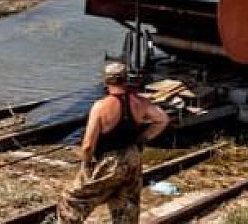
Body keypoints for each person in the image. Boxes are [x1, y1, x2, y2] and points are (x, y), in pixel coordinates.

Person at [57, 62, 170, 224]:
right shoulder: (140, 102)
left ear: (106, 81)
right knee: (126, 206)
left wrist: (87, 163)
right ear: (125, 79)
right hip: (133, 158)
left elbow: (88, 145)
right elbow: (162, 119)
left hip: (109, 162)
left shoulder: (101, 107)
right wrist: (142, 139)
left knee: (72, 201)